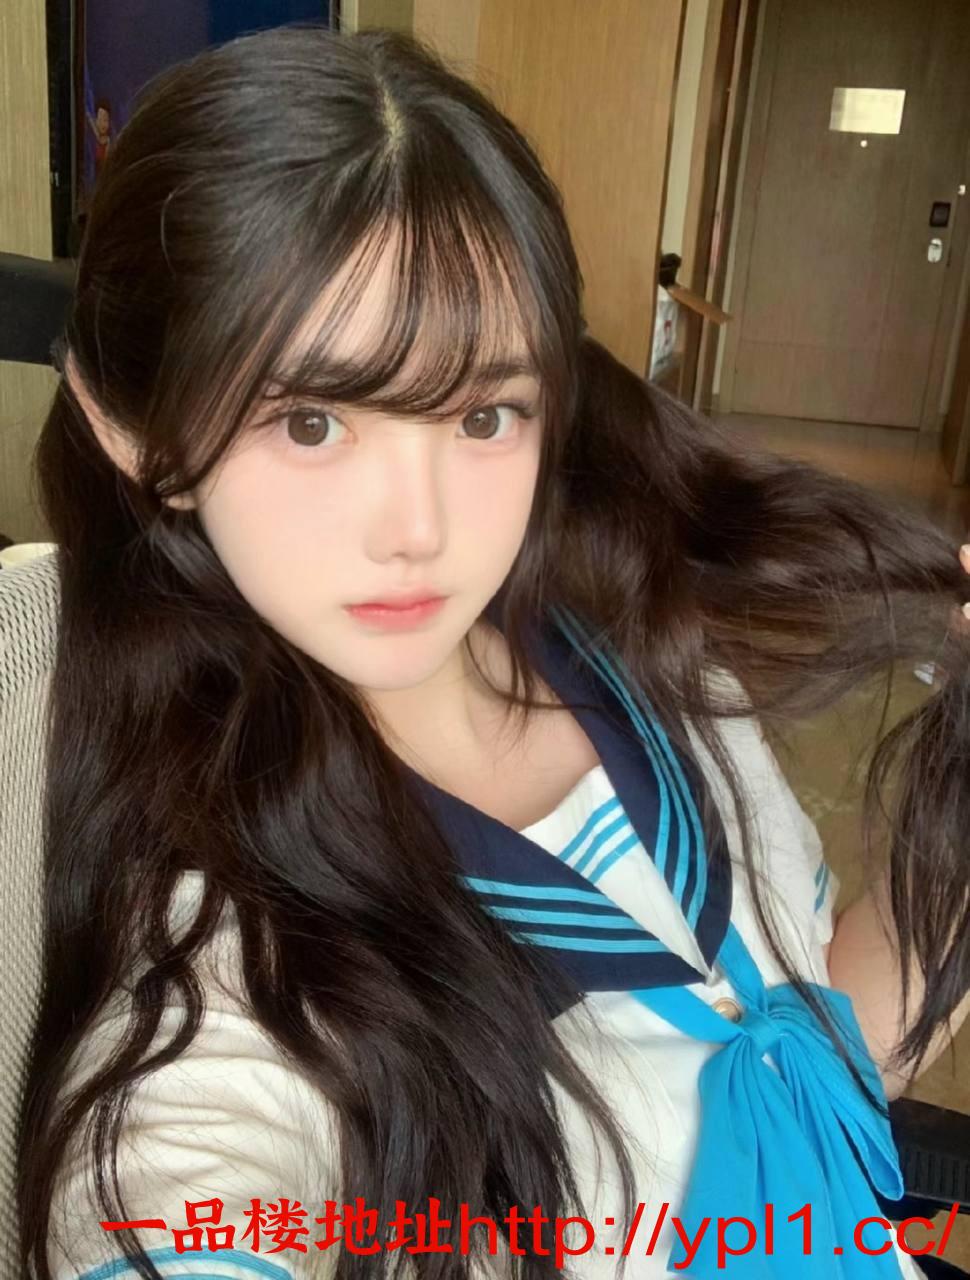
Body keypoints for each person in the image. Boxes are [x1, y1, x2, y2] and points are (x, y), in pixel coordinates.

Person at [13, 24, 970, 1280]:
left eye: (481, 414)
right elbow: (186, 1185)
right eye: (311, 422)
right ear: (136, 430)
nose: (420, 530)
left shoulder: (652, 665)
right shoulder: (230, 933)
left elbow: (814, 1045)